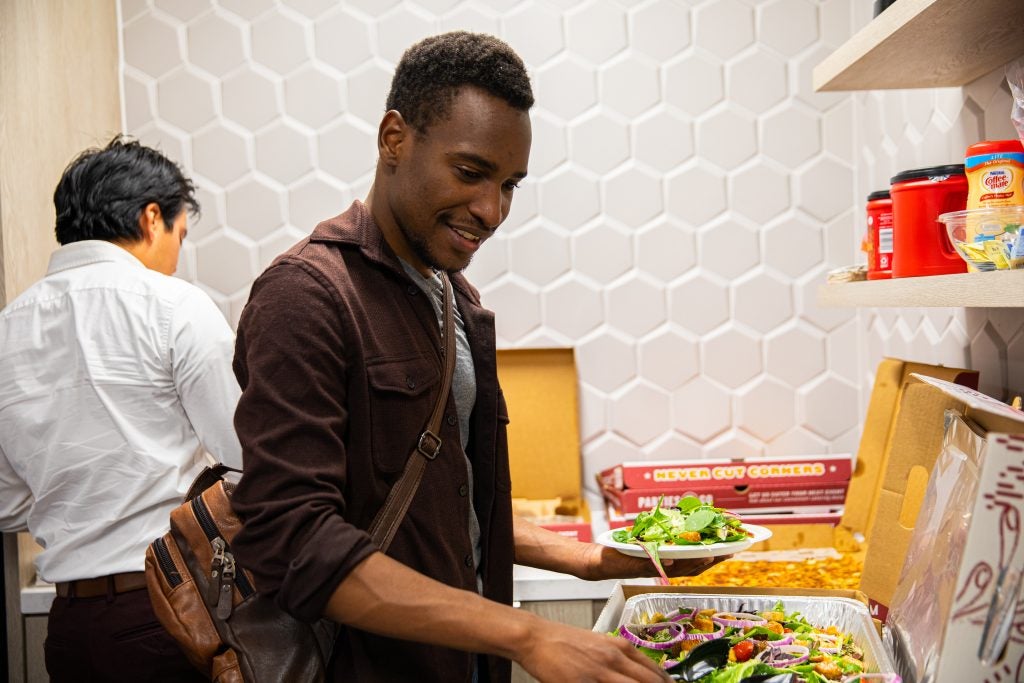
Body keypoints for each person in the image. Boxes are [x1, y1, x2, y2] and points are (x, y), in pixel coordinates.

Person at [230, 31, 716, 683]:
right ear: (394, 139)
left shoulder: (453, 297)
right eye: (470, 172)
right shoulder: (307, 295)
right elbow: (294, 542)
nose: (492, 210)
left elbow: (451, 505)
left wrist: (595, 559)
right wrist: (527, 633)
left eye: (509, 183)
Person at [0, 137, 242, 682]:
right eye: (180, 235)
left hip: (68, 630)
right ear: (151, 217)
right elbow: (247, 456)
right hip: (168, 611)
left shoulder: (7, 329)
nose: (176, 255)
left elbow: (6, 503)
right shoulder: (174, 305)